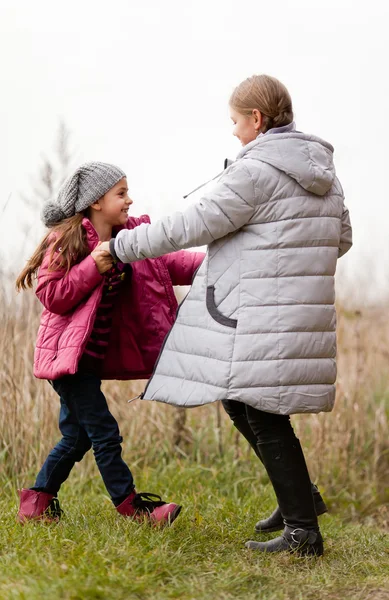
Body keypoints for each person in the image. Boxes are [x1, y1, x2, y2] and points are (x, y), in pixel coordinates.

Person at [100, 75, 352, 556]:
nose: (234, 132)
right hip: (297, 308)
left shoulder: (255, 172)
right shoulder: (324, 172)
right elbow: (341, 240)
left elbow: (190, 225)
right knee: (241, 400)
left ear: (256, 120)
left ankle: (303, 532)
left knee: (260, 410)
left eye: (235, 122)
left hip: (263, 311)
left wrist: (122, 246)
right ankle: (298, 499)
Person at [15, 161, 203, 525]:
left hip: (89, 361)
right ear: (96, 202)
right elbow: (52, 294)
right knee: (104, 433)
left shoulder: (130, 238)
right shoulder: (68, 240)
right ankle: (132, 507)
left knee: (77, 438)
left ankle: (36, 502)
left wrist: (220, 265)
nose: (129, 200)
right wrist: (94, 265)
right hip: (68, 362)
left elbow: (169, 263)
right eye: (121, 193)